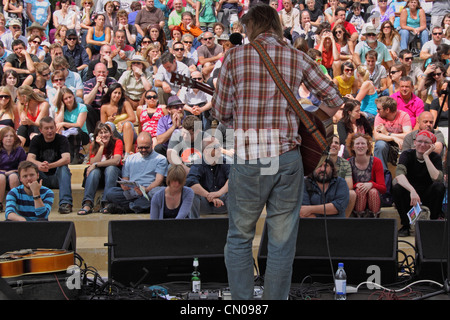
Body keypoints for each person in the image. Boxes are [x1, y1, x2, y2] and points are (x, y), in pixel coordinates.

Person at [211, 4, 344, 300]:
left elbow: (221, 112)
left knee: (239, 238)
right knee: (282, 243)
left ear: (254, 26)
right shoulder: (296, 56)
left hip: (250, 157)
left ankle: (244, 303)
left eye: (246, 28)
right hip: (287, 157)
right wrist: (309, 121)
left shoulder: (234, 56)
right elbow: (334, 100)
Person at [392, 130, 446, 236]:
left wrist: (426, 156)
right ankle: (406, 225)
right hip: (410, 194)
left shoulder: (435, 157)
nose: (422, 144)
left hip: (427, 193)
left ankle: (432, 223)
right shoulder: (407, 154)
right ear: (415, 142)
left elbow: (437, 178)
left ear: (432, 145)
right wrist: (412, 190)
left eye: (426, 142)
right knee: (397, 188)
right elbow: (399, 175)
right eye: (420, 141)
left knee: (439, 187)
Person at [103, 131, 167, 213]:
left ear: (151, 144)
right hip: (133, 191)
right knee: (110, 193)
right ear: (137, 145)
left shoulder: (160, 158)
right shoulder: (130, 159)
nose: (143, 150)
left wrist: (146, 190)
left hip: (150, 190)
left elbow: (159, 180)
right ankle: (137, 206)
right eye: (140, 148)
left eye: (146, 147)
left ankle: (128, 208)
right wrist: (125, 186)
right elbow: (125, 179)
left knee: (162, 193)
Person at [26, 117, 73, 214]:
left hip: (57, 177)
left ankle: (65, 203)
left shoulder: (62, 139)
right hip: (41, 178)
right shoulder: (36, 140)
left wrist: (50, 166)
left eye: (52, 128)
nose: (50, 131)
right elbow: (29, 158)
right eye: (46, 128)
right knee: (31, 169)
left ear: (56, 128)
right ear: (40, 130)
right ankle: (29, 203)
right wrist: (40, 165)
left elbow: (67, 158)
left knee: (63, 168)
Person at [78, 122, 122, 215]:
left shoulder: (117, 142)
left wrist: (96, 164)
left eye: (106, 132)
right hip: (97, 177)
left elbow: (116, 160)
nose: (103, 135)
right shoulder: (94, 145)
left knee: (111, 168)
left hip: (113, 176)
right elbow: (93, 162)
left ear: (110, 133)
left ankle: (107, 202)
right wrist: (101, 147)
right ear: (97, 135)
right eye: (100, 133)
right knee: (94, 172)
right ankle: (88, 203)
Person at [185, 137, 229, 218]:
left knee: (233, 193)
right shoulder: (198, 163)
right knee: (190, 194)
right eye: (215, 147)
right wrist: (209, 196)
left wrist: (218, 193)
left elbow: (232, 180)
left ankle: (234, 228)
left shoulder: (225, 161)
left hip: (222, 201)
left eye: (219, 146)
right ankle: (193, 227)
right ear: (206, 151)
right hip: (204, 202)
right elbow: (191, 182)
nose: (219, 149)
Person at [346, 132, 386, 218]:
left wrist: (371, 184)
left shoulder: (376, 161)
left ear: (367, 147)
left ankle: (374, 220)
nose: (360, 146)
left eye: (363, 143)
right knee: (360, 191)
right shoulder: (348, 162)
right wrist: (357, 185)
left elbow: (383, 188)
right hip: (358, 198)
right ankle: (359, 219)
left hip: (374, 199)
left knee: (373, 192)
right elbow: (346, 187)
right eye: (357, 144)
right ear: (352, 147)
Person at [373, 96, 412, 171]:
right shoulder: (379, 116)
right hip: (386, 142)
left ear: (387, 110)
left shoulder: (403, 116)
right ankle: (382, 173)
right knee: (380, 145)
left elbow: (408, 135)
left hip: (400, 144)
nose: (377, 111)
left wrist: (388, 133)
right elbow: (377, 136)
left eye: (379, 109)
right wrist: (393, 138)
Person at [100, 82, 137, 159]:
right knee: (108, 124)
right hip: (115, 134)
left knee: (127, 124)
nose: (117, 95)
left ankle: (127, 154)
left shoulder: (125, 103)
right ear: (110, 94)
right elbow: (103, 125)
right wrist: (109, 120)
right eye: (115, 93)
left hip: (128, 132)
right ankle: (109, 153)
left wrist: (121, 122)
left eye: (119, 93)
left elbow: (133, 118)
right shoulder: (104, 107)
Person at [55, 87, 90, 164]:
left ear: (73, 96)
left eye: (70, 97)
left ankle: (75, 156)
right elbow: (57, 124)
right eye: (65, 99)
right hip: (65, 134)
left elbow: (79, 125)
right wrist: (61, 109)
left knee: (74, 132)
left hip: (81, 134)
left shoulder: (81, 107)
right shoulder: (59, 108)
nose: (69, 100)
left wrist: (64, 123)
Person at [83, 62, 117, 134]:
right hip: (95, 112)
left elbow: (115, 100)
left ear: (107, 73)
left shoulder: (113, 82)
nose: (101, 74)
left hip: (108, 112)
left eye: (103, 72)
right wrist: (96, 86)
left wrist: (104, 87)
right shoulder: (88, 83)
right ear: (94, 73)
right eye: (99, 72)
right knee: (86, 107)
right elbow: (86, 101)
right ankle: (92, 134)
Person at [328, 134, 356, 217]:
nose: (333, 144)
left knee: (352, 194)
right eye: (330, 142)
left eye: (336, 143)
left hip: (338, 192)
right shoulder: (320, 162)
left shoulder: (345, 163)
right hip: (322, 191)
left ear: (340, 147)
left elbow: (349, 186)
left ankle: (344, 221)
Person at [0, 126, 26, 211]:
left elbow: (23, 166)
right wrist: (3, 172)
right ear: (1, 138)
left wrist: (13, 171)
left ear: (15, 138)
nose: (9, 138)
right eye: (6, 136)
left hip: (15, 174)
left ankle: (13, 204)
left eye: (11, 136)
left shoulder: (20, 150)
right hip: (1, 175)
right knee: (1, 177)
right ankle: (0, 204)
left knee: (13, 177)